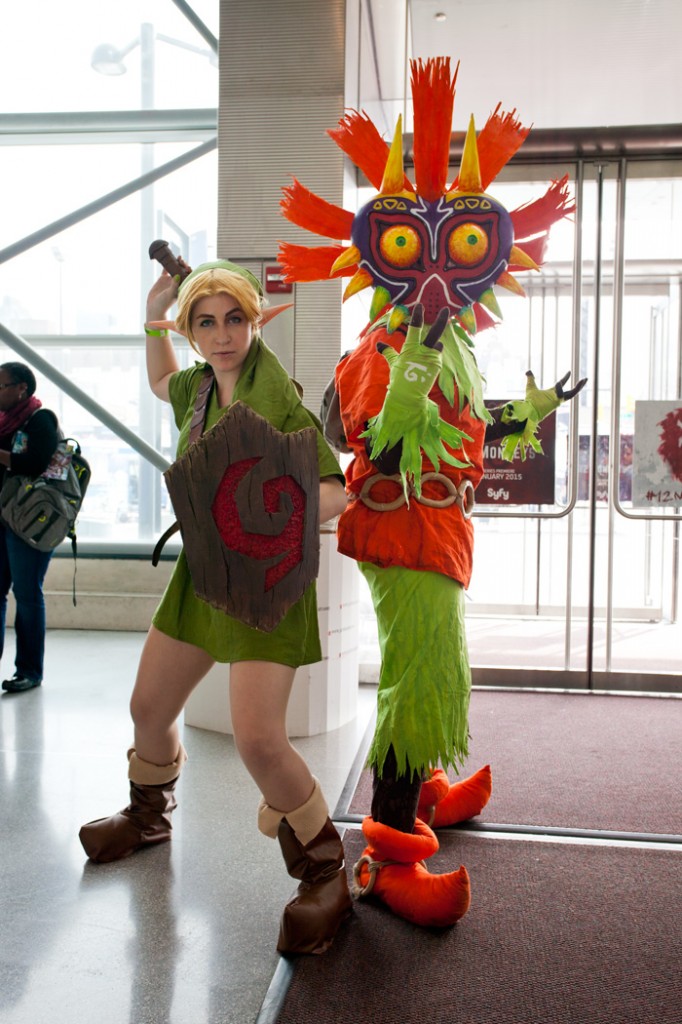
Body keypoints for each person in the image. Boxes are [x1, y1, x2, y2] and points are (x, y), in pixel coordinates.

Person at [278, 57, 585, 927]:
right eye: (418, 249)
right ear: (387, 254)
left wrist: (529, 412)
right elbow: (384, 432)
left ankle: (424, 791)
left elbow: (466, 432)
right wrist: (422, 339)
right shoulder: (383, 342)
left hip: (439, 534)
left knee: (438, 674)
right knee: (415, 683)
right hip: (403, 535)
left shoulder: (443, 341)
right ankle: (386, 852)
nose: (442, 275)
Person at [79, 259, 352, 956]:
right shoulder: (196, 389)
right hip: (202, 577)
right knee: (149, 708)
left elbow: (332, 490)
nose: (223, 335)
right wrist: (151, 314)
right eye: (207, 322)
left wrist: (263, 510)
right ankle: (148, 817)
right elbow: (159, 379)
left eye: (235, 319)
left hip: (266, 584)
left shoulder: (279, 400)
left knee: (259, 740)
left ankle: (324, 870)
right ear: (193, 331)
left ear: (253, 320)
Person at [0, 362, 60, 694]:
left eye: (1, 386)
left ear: (22, 387)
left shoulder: (40, 419)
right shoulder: (2, 422)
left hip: (29, 523)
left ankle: (29, 671)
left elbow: (37, 463)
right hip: (2, 517)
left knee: (26, 593)